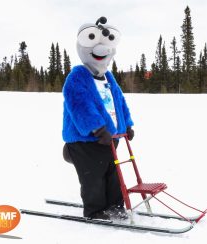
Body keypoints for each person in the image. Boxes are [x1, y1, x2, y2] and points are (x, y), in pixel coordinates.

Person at [62, 17, 134, 220]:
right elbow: (79, 105)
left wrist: (127, 124)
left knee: (113, 174)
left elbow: (119, 102)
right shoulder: (78, 76)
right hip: (86, 140)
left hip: (110, 138)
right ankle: (94, 210)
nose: (102, 51)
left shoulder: (108, 77)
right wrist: (97, 128)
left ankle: (114, 204)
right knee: (92, 176)